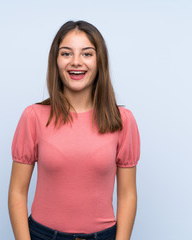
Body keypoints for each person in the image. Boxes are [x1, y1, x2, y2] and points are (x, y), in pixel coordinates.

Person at [8, 20, 140, 240]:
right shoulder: (33, 117)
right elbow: (17, 192)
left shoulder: (122, 120)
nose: (76, 62)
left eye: (87, 54)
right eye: (66, 53)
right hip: (42, 235)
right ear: (56, 61)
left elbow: (127, 195)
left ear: (100, 62)